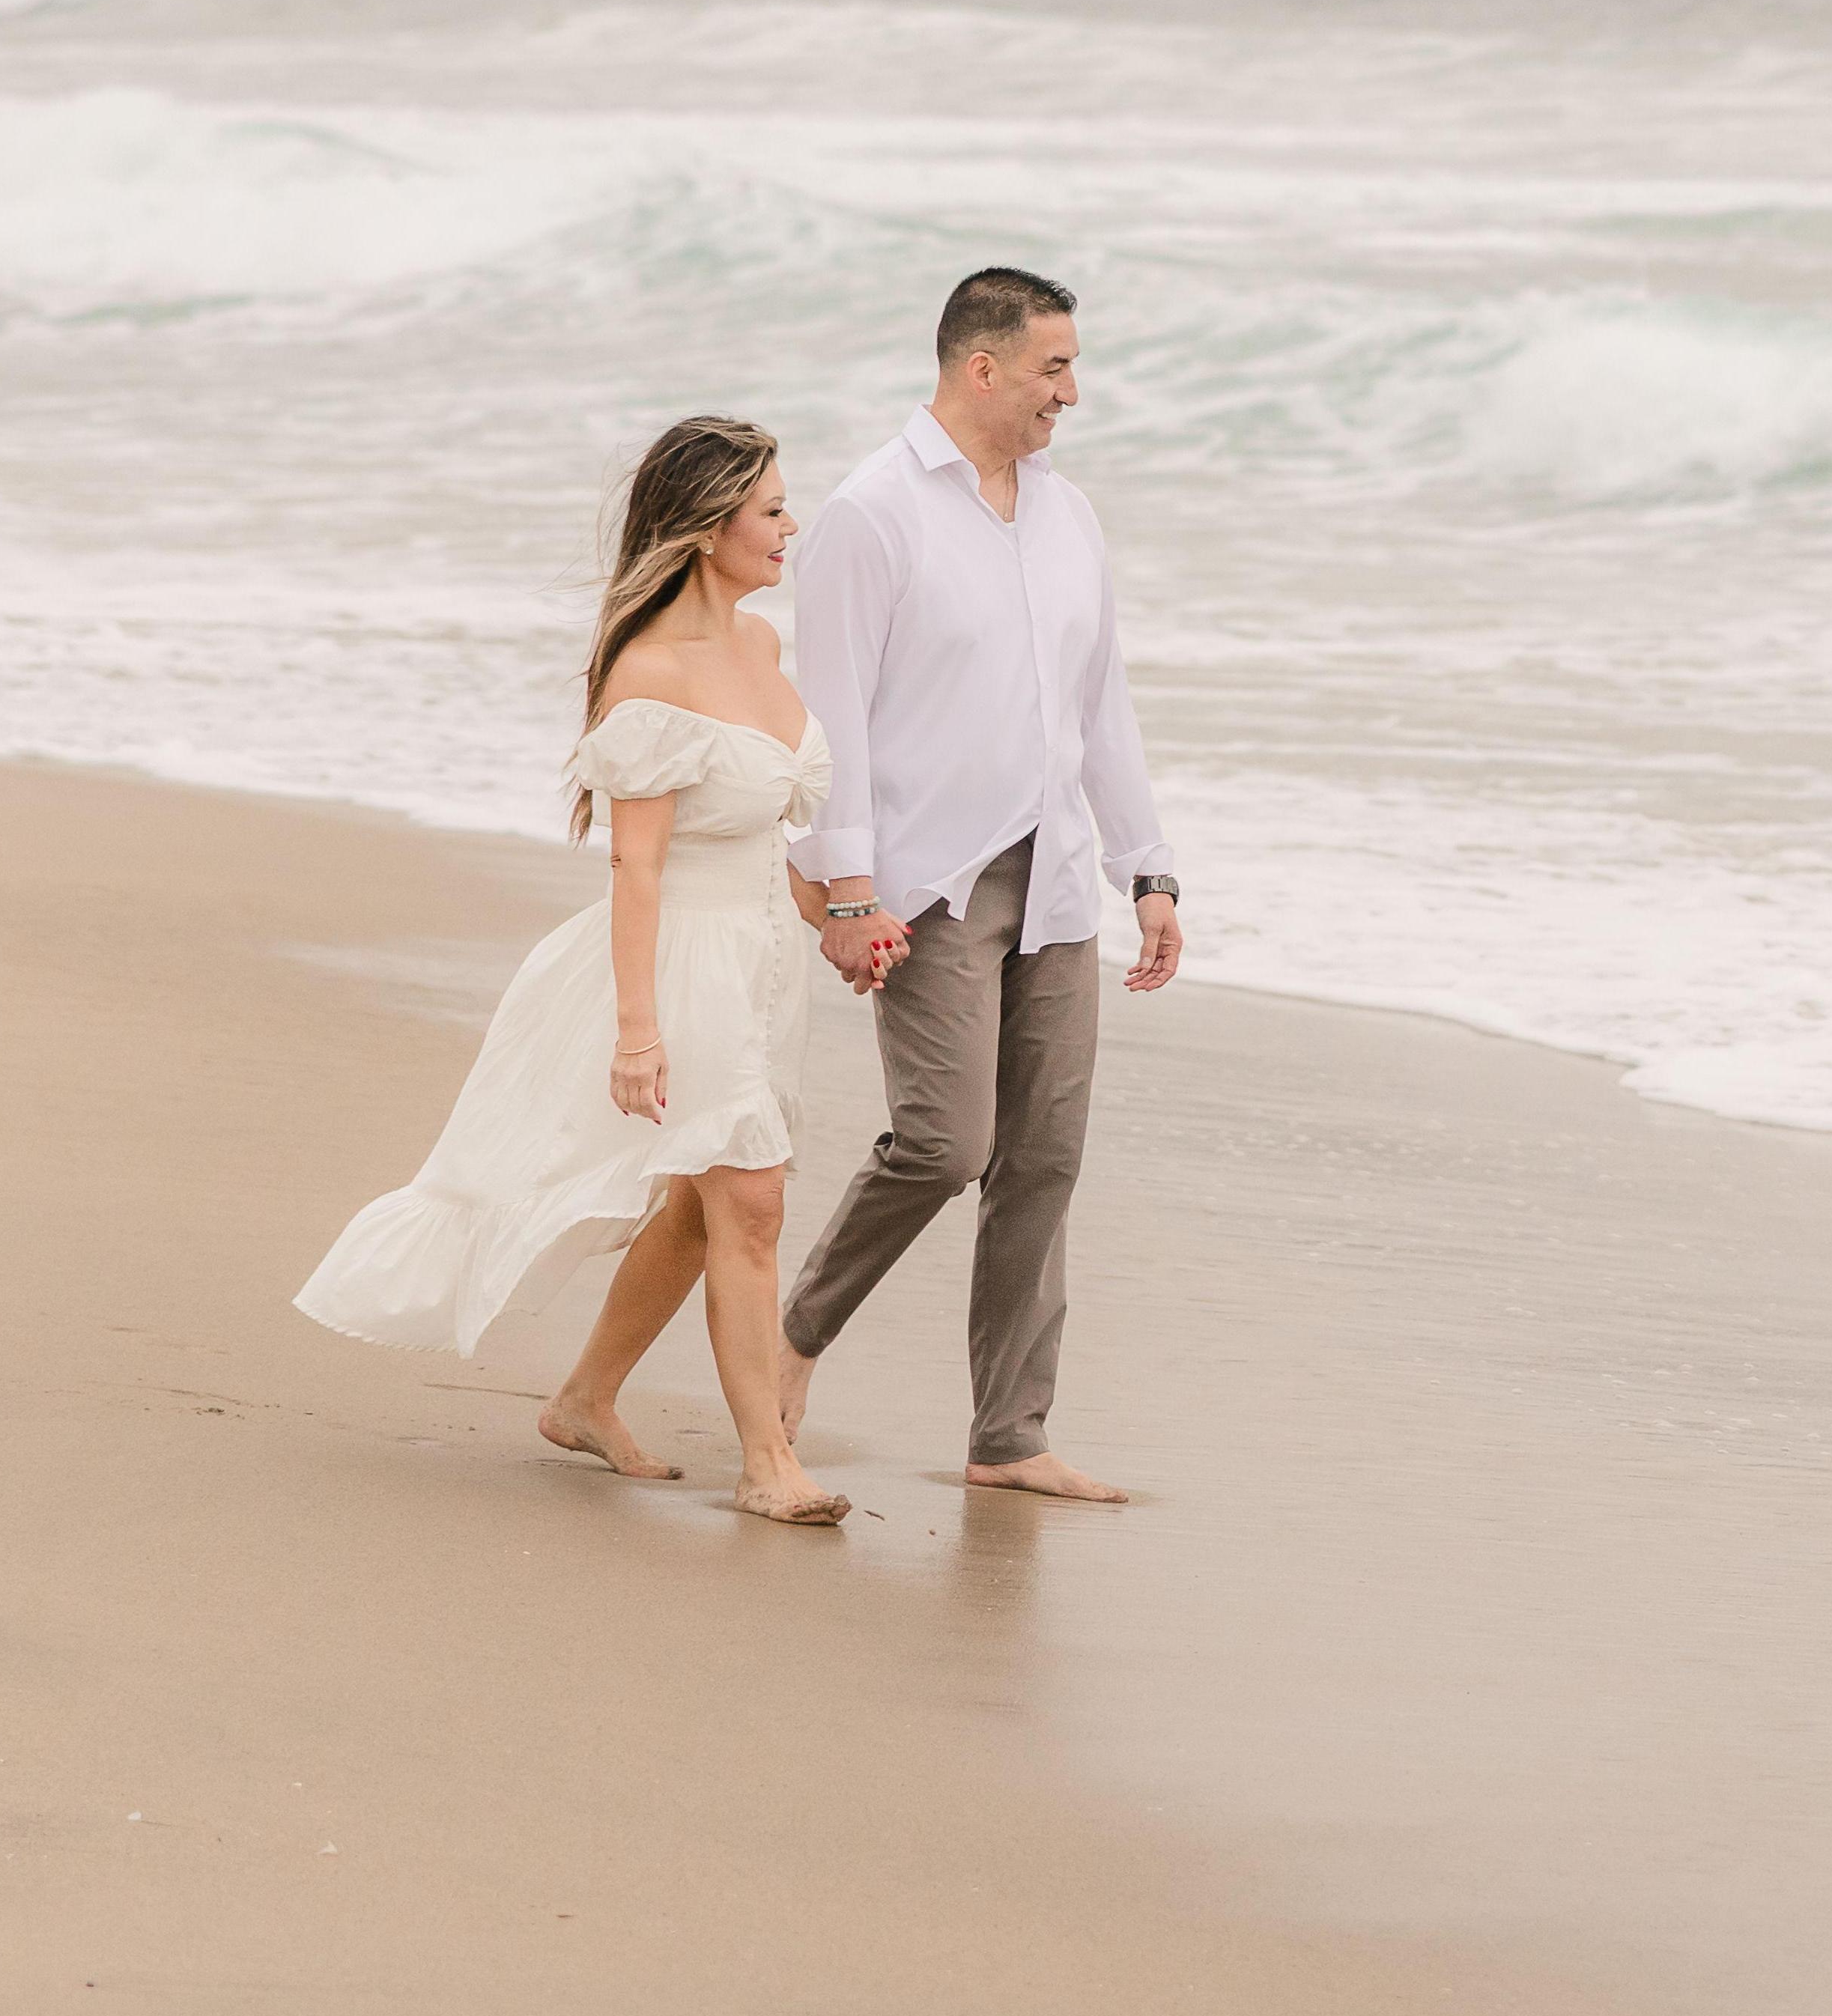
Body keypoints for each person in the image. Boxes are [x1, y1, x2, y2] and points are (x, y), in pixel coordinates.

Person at [294, 416, 862, 1526]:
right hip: (682, 969)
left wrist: (842, 912)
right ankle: (767, 1466)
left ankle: (585, 1398)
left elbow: (754, 831)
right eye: (771, 509)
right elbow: (637, 865)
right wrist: (637, 1034)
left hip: (763, 965)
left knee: (700, 1209)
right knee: (750, 1202)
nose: (792, 527)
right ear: (708, 528)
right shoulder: (651, 672)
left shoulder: (759, 648)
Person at [778, 266, 1181, 1503]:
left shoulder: (1068, 515)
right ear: (982, 367)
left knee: (1042, 1159)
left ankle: (1008, 1436)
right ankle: (789, 1338)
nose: (1072, 392)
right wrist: (846, 889)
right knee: (946, 1145)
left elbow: (1100, 703)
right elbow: (829, 717)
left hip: (1054, 879)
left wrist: (1145, 868)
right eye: (1055, 368)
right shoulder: (873, 514)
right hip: (927, 884)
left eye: (1073, 367)